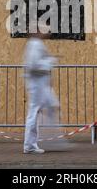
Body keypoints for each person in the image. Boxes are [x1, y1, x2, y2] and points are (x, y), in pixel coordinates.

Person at [23, 24, 59, 154]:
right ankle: (30, 146)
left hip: (40, 84)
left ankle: (38, 142)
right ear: (37, 31)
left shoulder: (35, 44)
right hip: (37, 85)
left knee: (49, 107)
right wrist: (49, 62)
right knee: (34, 113)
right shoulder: (35, 44)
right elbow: (33, 65)